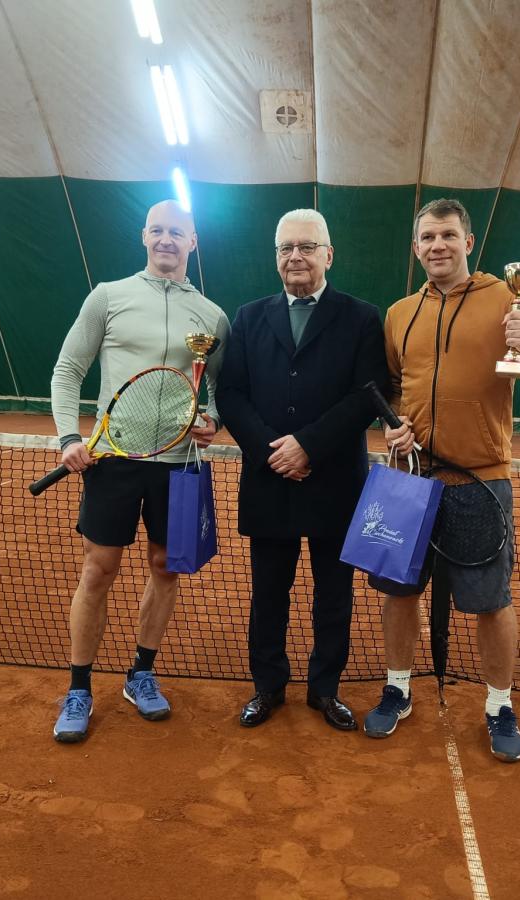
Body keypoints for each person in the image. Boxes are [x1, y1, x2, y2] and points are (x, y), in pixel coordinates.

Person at [364, 198, 520, 762]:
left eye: (448, 235)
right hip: (407, 478)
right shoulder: (400, 313)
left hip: (479, 483)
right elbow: (393, 386)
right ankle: (398, 688)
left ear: (468, 242)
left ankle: (499, 704)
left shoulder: (509, 299)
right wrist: (394, 426)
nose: (438, 245)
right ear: (416, 247)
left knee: (489, 601)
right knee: (398, 593)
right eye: (428, 237)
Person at [49, 199, 230, 743]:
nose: (166, 239)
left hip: (179, 465)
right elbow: (68, 369)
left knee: (165, 568)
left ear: (193, 242)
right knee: (99, 569)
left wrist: (213, 419)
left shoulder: (213, 316)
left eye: (177, 232)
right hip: (113, 460)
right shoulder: (109, 296)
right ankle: (79, 687)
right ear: (144, 236)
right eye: (158, 230)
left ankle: (141, 674)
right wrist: (69, 437)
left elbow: (218, 387)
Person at [217, 209, 387, 731]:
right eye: (286, 247)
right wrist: (274, 452)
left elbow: (367, 396)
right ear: (276, 257)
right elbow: (231, 393)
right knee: (269, 593)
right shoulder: (248, 317)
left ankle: (325, 689)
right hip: (269, 480)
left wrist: (307, 446)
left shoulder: (362, 318)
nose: (296, 256)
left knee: (333, 595)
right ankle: (268, 687)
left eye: (307, 247)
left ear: (328, 255)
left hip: (335, 483)